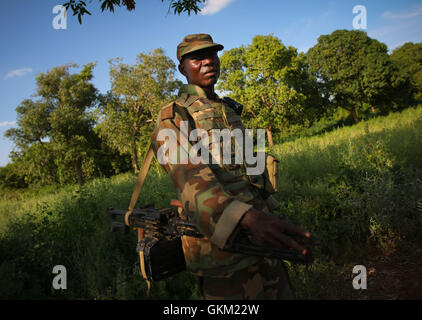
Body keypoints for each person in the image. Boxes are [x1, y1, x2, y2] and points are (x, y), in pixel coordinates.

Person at [150, 34, 311, 300]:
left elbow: (248, 172)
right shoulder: (175, 116)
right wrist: (248, 218)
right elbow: (191, 179)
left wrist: (267, 213)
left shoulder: (228, 109)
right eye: (197, 57)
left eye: (212, 55)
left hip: (263, 236)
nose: (207, 62)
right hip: (224, 251)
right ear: (182, 68)